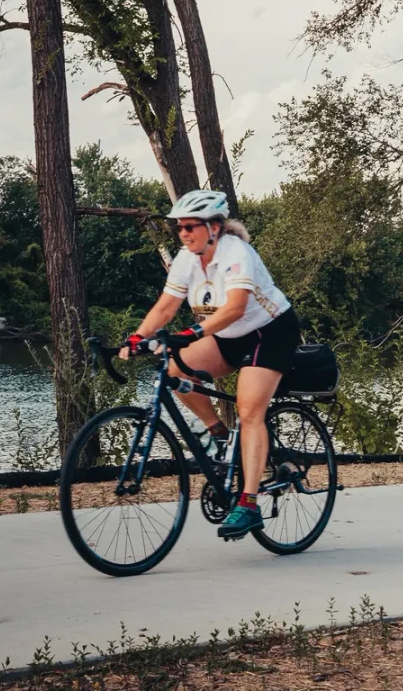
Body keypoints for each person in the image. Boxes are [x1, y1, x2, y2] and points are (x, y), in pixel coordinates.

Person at [119, 189, 299, 540]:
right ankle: (218, 435)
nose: (184, 233)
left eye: (190, 226)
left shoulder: (236, 252)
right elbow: (166, 306)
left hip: (269, 332)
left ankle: (248, 504)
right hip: (227, 335)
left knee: (249, 411)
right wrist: (137, 337)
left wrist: (193, 332)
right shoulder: (187, 259)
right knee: (175, 369)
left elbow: (235, 307)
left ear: (214, 227)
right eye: (179, 227)